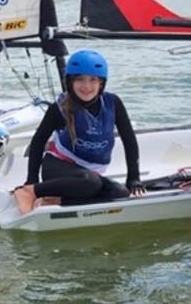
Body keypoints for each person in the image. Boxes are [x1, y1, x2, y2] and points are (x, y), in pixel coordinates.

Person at [12, 49, 145, 214]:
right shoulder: (59, 108)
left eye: (93, 80)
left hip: (88, 174)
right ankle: (31, 192)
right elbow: (39, 141)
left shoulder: (113, 103)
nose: (87, 86)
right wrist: (32, 180)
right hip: (57, 168)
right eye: (80, 79)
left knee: (120, 193)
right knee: (91, 183)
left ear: (101, 83)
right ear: (70, 82)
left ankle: (59, 199)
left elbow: (129, 140)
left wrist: (134, 178)